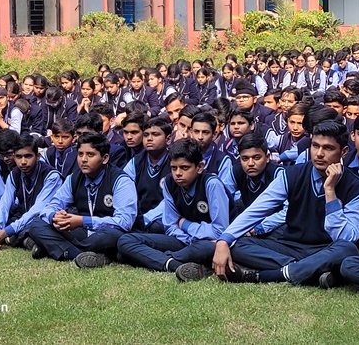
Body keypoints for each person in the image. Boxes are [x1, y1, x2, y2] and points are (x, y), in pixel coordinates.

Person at [212, 120, 359, 288]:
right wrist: (224, 239)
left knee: (348, 249)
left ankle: (273, 274)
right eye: (315, 146)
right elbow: (257, 210)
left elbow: (347, 237)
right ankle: (310, 270)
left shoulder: (355, 186)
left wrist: (330, 192)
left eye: (328, 148)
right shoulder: (292, 174)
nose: (319, 154)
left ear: (344, 151)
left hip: (327, 249)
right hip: (290, 247)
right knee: (237, 244)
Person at [117, 138, 229, 282]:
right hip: (183, 240)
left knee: (208, 248)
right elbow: (170, 225)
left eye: (184, 168)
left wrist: (185, 224)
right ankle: (174, 264)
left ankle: (158, 258)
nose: (178, 173)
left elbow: (220, 231)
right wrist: (186, 237)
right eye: (174, 168)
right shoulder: (170, 182)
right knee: (126, 240)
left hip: (207, 243)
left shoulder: (211, 184)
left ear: (200, 167)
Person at [27, 132, 137, 269]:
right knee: (37, 225)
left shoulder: (121, 180)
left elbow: (124, 222)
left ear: (105, 158)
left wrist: (83, 221)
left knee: (114, 237)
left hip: (105, 232)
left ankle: (55, 248)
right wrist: (55, 216)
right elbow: (53, 204)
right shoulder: (74, 178)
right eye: (80, 154)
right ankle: (89, 256)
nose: (83, 160)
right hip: (81, 231)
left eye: (90, 155)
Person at [0, 134, 63, 250]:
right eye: (19, 157)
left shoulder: (51, 176)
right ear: (14, 157)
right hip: (21, 217)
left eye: (28, 156)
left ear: (38, 156)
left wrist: (5, 232)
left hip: (40, 219)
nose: (23, 162)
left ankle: (13, 238)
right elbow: (4, 204)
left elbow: (37, 210)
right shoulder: (14, 174)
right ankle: (20, 239)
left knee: (38, 226)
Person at [224, 133, 286, 237]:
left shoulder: (279, 174)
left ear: (267, 157)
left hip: (274, 224)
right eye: (245, 158)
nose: (250, 163)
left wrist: (260, 227)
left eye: (256, 158)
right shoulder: (235, 171)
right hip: (249, 222)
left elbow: (289, 210)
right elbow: (222, 201)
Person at [123, 117, 172, 233]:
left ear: (168, 139)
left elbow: (171, 200)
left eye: (155, 134)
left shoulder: (175, 162)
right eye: (146, 135)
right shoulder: (136, 162)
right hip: (138, 215)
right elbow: (124, 190)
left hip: (163, 216)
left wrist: (146, 219)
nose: (149, 138)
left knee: (157, 227)